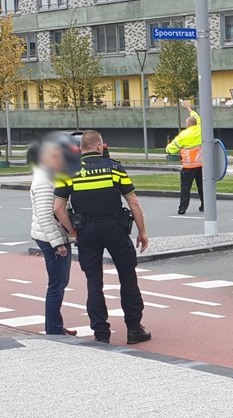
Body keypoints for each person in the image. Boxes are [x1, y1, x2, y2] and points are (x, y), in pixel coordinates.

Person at [53, 130, 152, 345]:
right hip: (115, 228)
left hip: (87, 230)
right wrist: (142, 232)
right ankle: (134, 329)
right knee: (127, 278)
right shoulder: (114, 168)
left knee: (94, 282)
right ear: (99, 146)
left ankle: (101, 333)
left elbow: (58, 208)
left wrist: (73, 231)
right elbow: (133, 202)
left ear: (81, 148)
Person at [29, 141, 76, 336]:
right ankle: (53, 329)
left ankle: (55, 324)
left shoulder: (50, 176)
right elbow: (45, 215)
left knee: (59, 282)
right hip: (52, 238)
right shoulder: (44, 181)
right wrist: (59, 244)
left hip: (55, 235)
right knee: (56, 283)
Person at [166, 100, 203, 215]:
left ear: (188, 125)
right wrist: (188, 108)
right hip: (202, 165)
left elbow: (170, 149)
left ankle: (183, 208)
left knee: (185, 188)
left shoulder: (183, 135)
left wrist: (168, 148)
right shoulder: (201, 128)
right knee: (202, 187)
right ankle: (204, 205)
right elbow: (196, 116)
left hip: (189, 166)